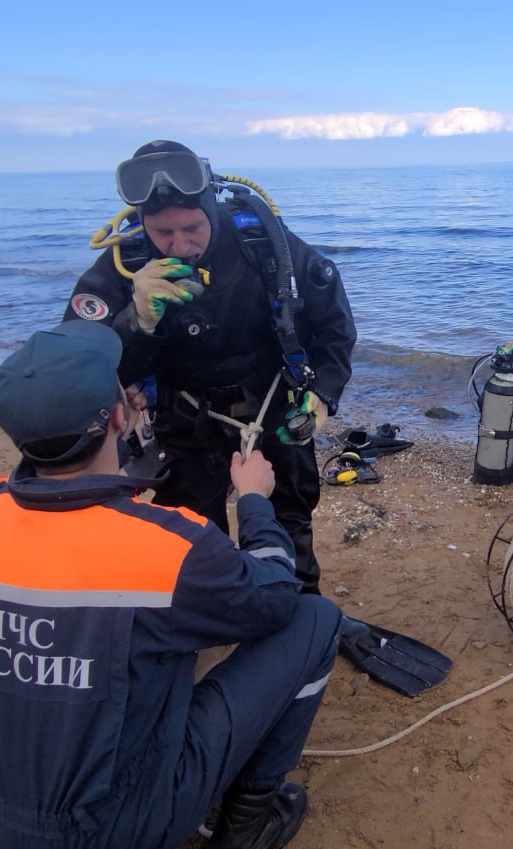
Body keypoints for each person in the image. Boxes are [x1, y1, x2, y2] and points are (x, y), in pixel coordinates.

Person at [0, 320, 341, 849]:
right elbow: (274, 598)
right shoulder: (165, 547)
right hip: (120, 831)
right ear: (120, 415)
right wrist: (254, 501)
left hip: (5, 821)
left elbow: (78, 541)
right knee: (315, 620)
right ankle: (247, 825)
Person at [63, 139, 356, 595]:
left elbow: (333, 325)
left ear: (211, 208)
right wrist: (135, 321)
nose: (180, 245)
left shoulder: (261, 242)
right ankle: (214, 610)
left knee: (289, 519)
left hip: (273, 409)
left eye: (192, 228)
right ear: (143, 224)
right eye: (162, 232)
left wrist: (324, 393)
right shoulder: (126, 264)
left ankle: (297, 609)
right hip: (186, 420)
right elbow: (76, 365)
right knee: (193, 530)